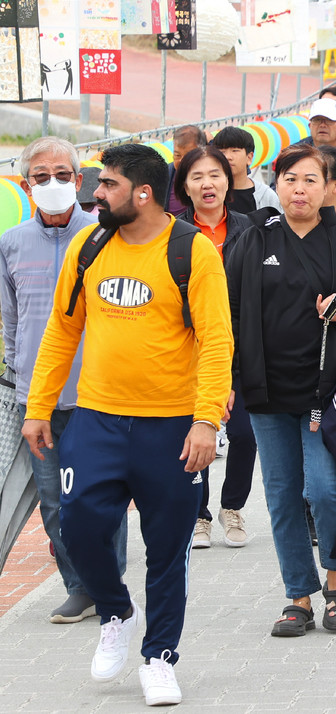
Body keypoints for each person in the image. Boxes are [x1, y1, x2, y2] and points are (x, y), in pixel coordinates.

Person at [22, 143, 233, 706]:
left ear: (142, 193)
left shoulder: (191, 252)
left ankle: (159, 656)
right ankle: (116, 610)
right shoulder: (89, 246)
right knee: (80, 526)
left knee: (167, 549)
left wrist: (206, 421)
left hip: (173, 427)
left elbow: (216, 343)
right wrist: (39, 406)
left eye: (108, 185)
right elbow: (62, 332)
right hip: (97, 419)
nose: (96, 193)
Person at [225, 143, 336, 638]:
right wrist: (224, 382)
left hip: (325, 392)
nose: (299, 189)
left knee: (326, 489)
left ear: (331, 186)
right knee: (282, 495)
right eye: (290, 178)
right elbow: (226, 311)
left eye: (311, 180)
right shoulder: (253, 237)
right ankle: (298, 596)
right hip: (265, 389)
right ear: (278, 183)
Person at [0, 137, 127, 624]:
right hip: (38, 399)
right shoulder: (12, 242)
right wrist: (19, 374)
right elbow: (11, 321)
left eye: (60, 174)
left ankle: (108, 585)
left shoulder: (105, 235)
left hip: (100, 395)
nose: (50, 184)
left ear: (79, 180)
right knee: (54, 501)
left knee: (103, 497)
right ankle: (79, 586)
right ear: (26, 184)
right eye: (39, 176)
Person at [172, 145, 255, 549]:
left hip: (241, 350)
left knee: (245, 433)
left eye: (215, 175)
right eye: (197, 177)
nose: (207, 184)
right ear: (184, 186)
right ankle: (198, 514)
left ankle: (232, 507)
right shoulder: (172, 233)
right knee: (196, 431)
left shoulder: (252, 229)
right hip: (188, 351)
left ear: (229, 180)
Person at [209, 126, 281, 214]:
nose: (228, 157)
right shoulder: (208, 192)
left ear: (249, 157)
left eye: (235, 150)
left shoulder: (266, 196)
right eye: (222, 152)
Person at [165, 125, 205, 215]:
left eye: (188, 156)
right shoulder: (165, 174)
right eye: (177, 155)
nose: (182, 161)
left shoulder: (210, 178)